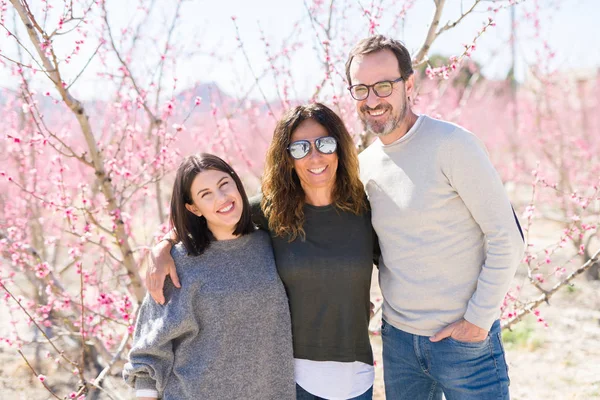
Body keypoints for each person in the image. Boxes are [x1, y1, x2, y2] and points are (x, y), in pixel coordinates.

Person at [148, 104, 379, 400]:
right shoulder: (272, 211)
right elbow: (216, 216)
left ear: (339, 147)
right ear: (287, 158)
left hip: (357, 375)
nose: (315, 156)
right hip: (289, 378)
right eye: (299, 148)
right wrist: (163, 246)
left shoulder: (365, 211)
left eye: (325, 143)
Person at [345, 35, 524, 400]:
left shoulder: (452, 145)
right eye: (361, 89)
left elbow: (507, 237)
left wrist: (477, 321)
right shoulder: (364, 166)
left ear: (409, 85)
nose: (372, 100)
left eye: (383, 86)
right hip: (398, 344)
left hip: (465, 346)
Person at [123, 153, 295, 400]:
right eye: (206, 194)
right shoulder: (178, 263)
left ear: (236, 182)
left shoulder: (270, 244)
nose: (222, 198)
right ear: (194, 208)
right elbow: (148, 353)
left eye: (224, 184)